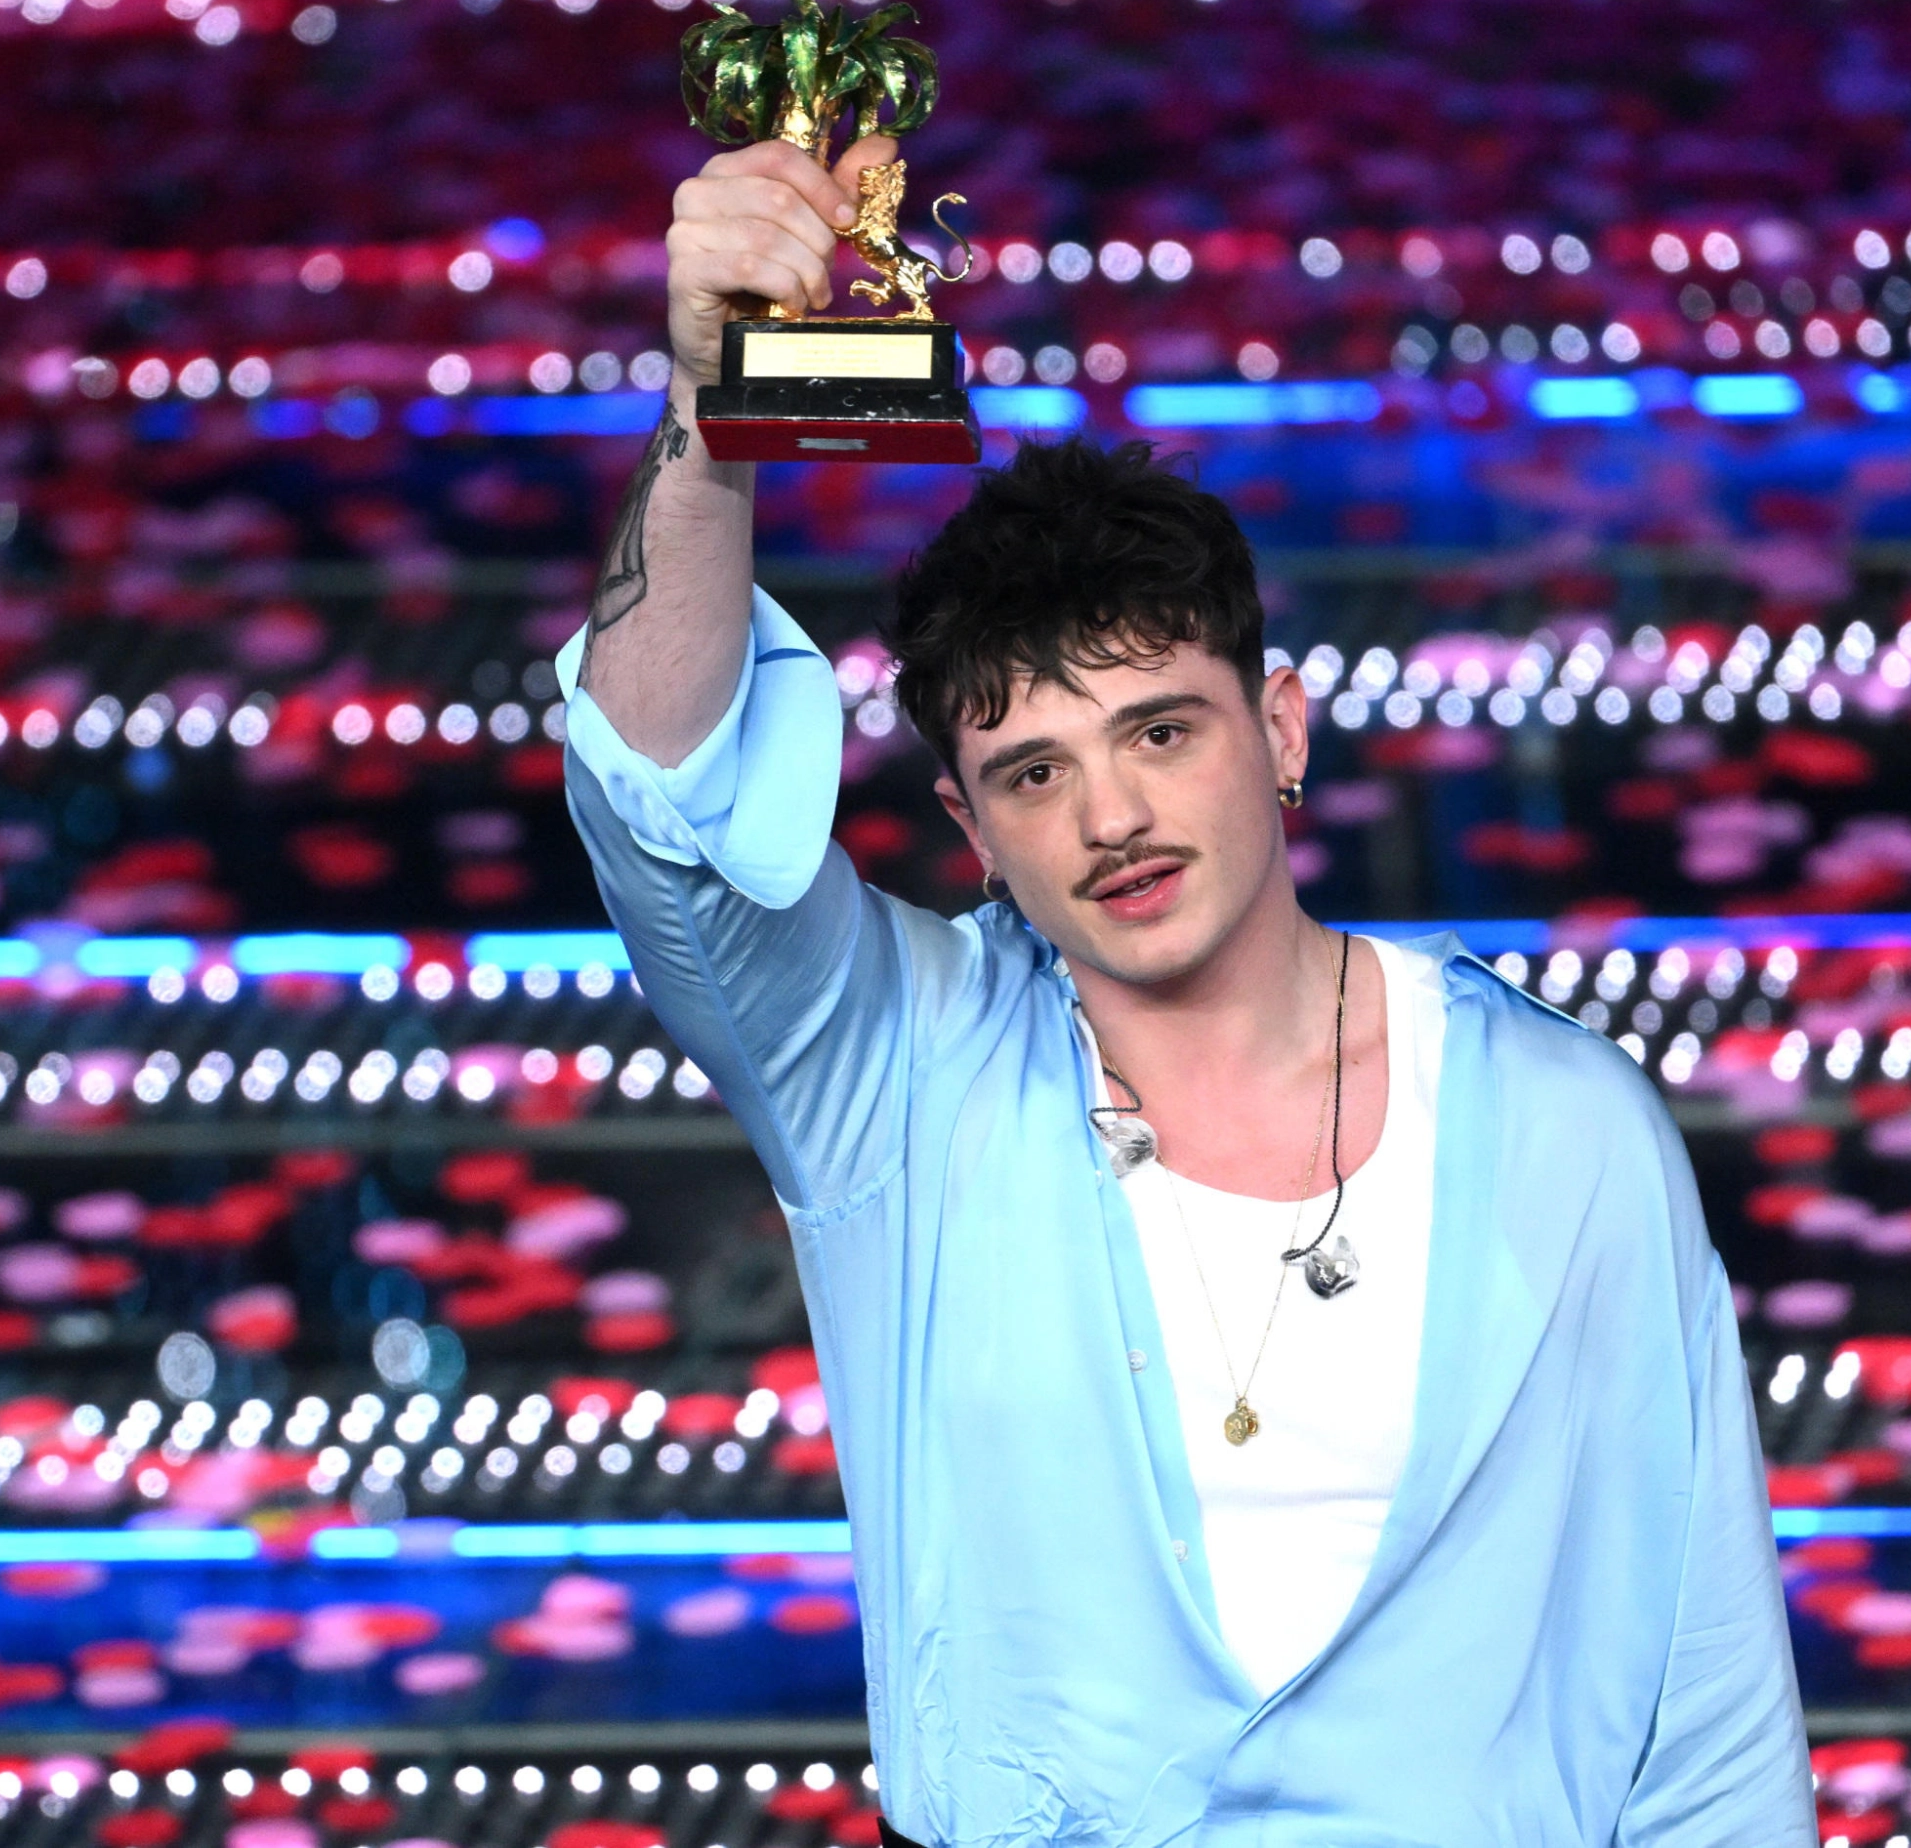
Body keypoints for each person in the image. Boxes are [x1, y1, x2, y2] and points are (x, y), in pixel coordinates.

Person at [557, 132, 1813, 1843]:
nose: (1113, 816)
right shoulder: (900, 1076)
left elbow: (1709, 1709)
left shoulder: (1565, 1126)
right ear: (971, 827)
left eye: (1160, 730)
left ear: (1278, 732)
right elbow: (668, 812)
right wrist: (714, 416)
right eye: (1034, 771)